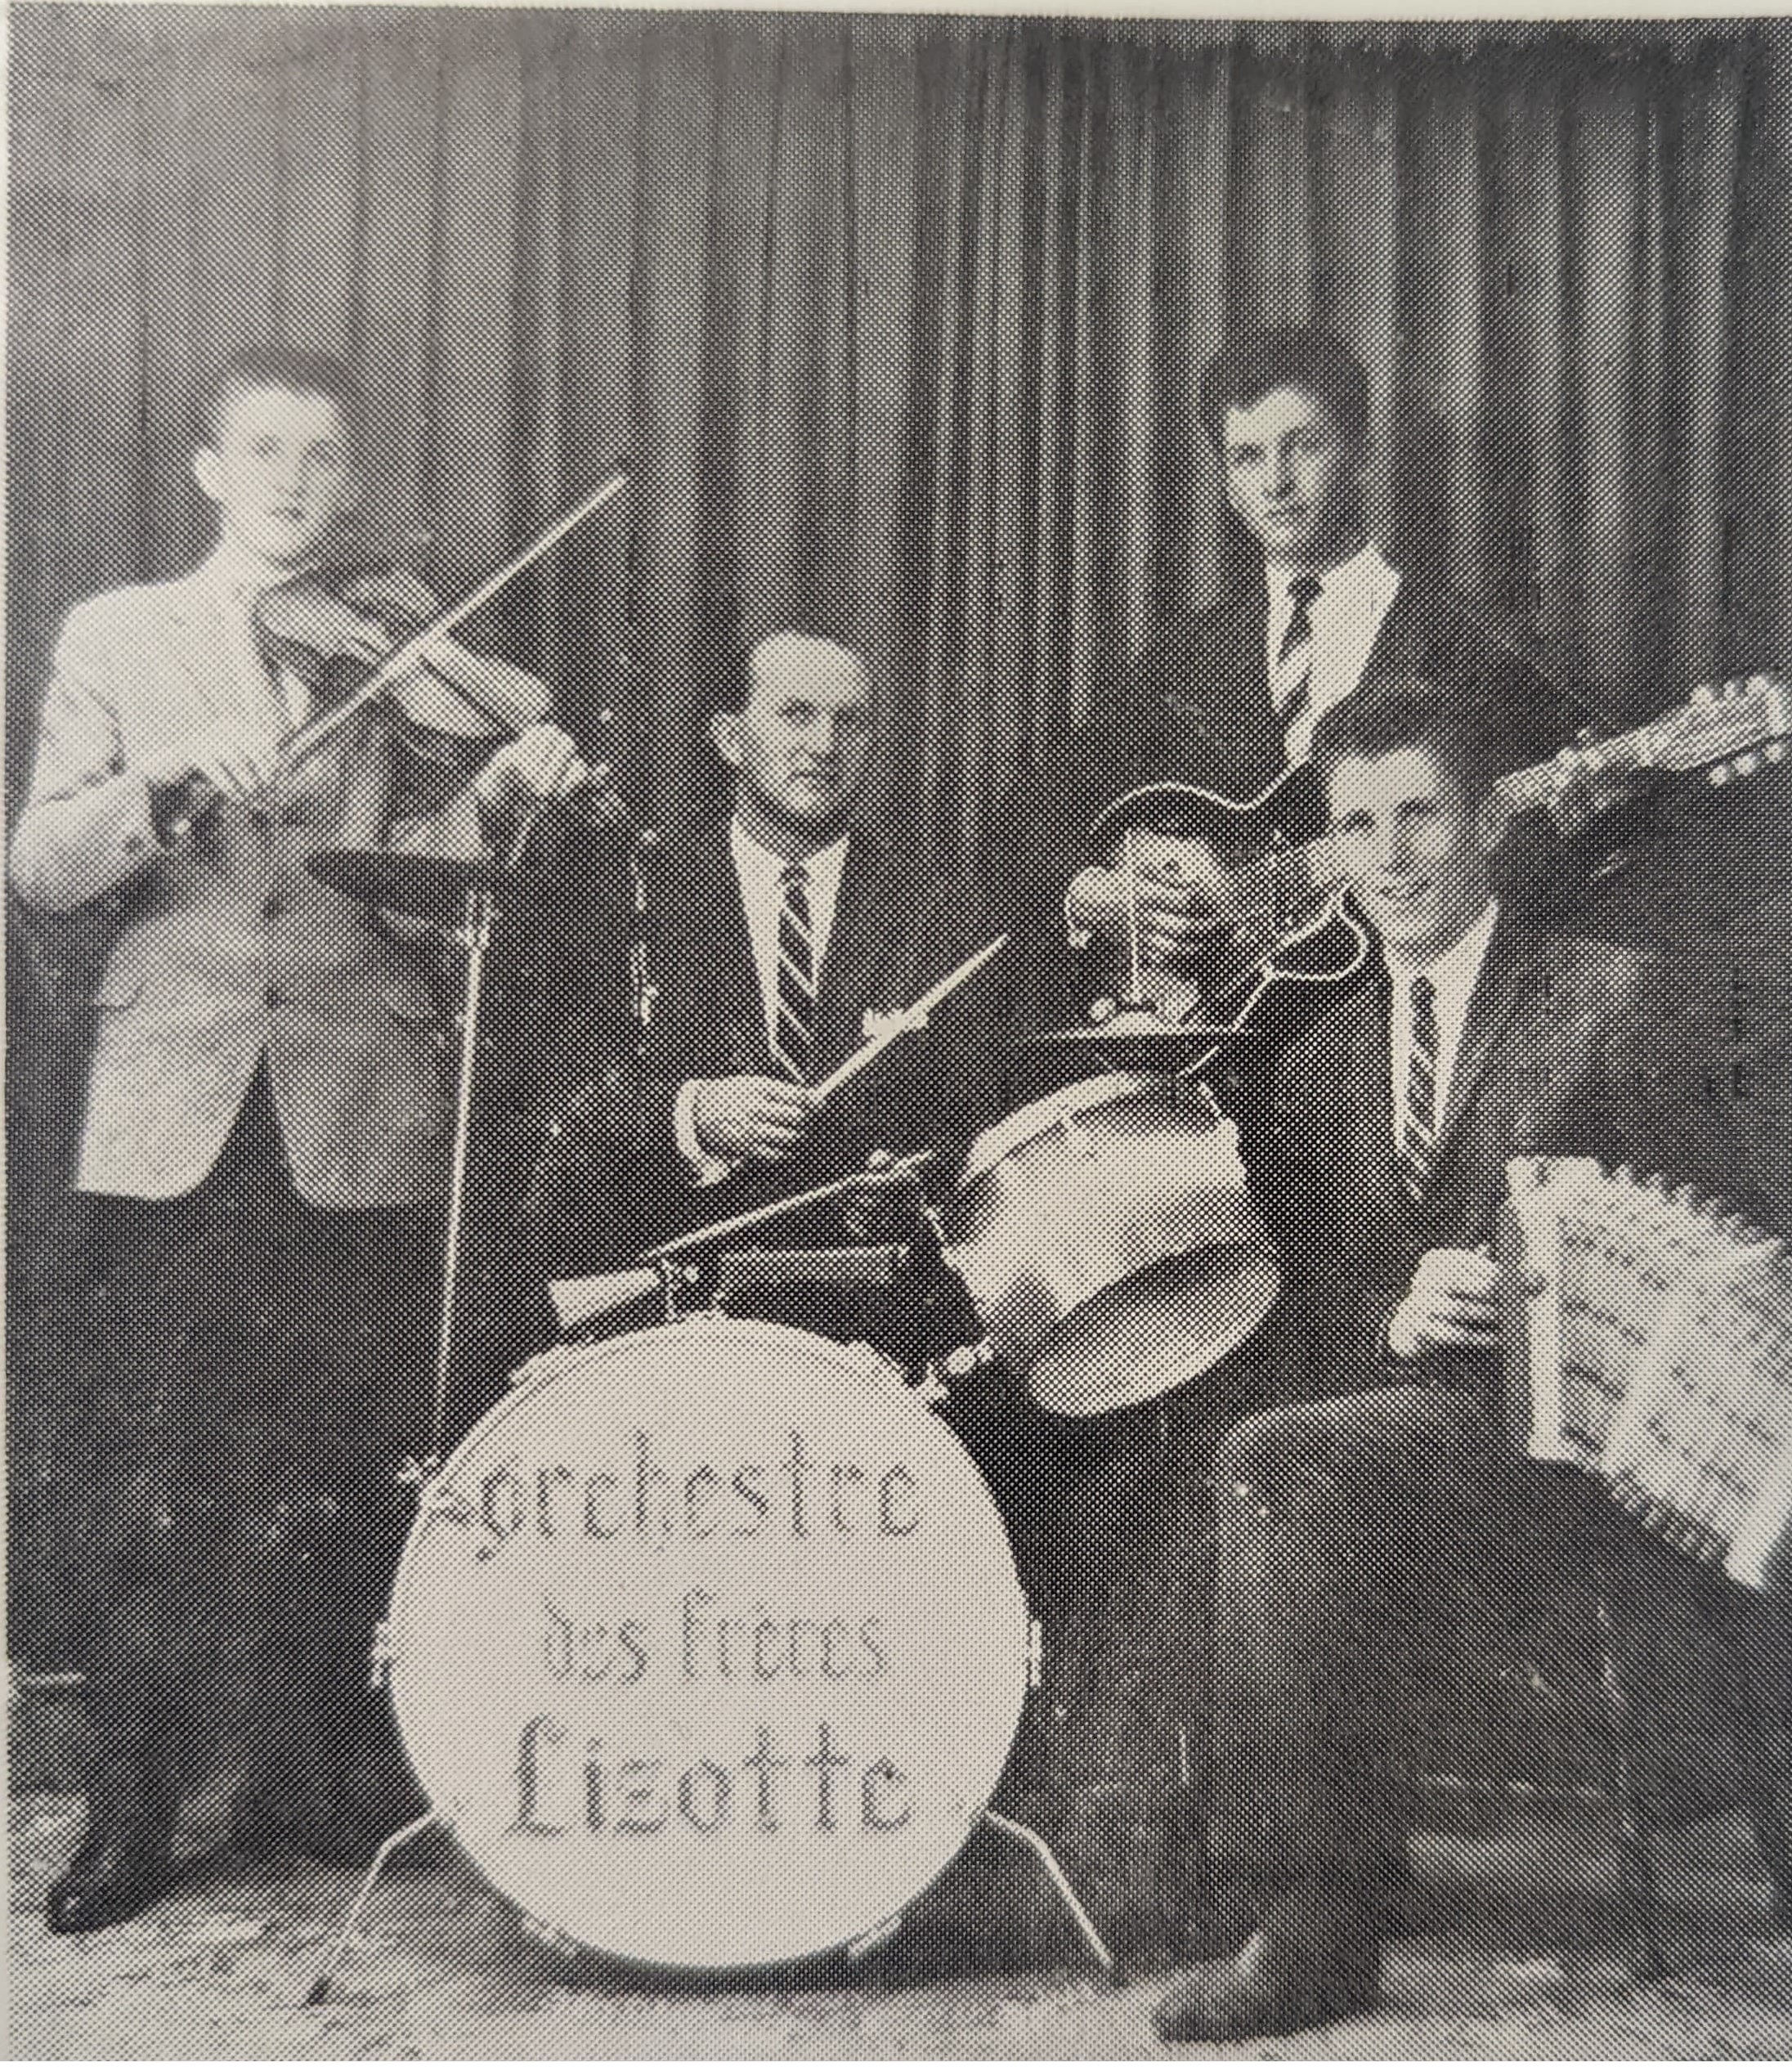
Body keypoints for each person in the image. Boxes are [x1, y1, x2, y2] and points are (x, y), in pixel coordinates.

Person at [10, 344, 589, 1931]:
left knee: (340, 1453)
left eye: (320, 457)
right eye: (261, 450)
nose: (289, 480)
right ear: (208, 468)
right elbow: (43, 861)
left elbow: (420, 875)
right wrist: (169, 779)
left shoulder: (406, 656)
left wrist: (506, 796)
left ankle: (307, 1773)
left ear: (349, 482)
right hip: (176, 1104)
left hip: (354, 1092)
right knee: (151, 1473)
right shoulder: (119, 637)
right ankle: (131, 1811)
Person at [1153, 680, 1716, 2041]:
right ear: (1331, 852)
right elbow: (1309, 1310)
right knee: (1240, 1447)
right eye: (1358, 825)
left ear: (1482, 822)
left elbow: (1719, 1252)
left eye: (1418, 814)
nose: (1391, 855)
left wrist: (1541, 1278)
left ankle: (1313, 1922)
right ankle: (1235, 1868)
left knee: (1282, 1459)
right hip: (1401, 1461)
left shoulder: (1611, 999)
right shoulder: (1315, 1062)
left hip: (1579, 1447)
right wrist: (1393, 1319)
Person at [1009, 325, 1579, 1033]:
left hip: (1393, 1044)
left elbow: (1562, 856)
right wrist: (1105, 894)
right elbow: (1026, 824)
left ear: (1362, 457)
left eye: (1302, 447)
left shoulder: (1474, 648)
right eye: (1247, 457)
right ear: (1226, 482)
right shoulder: (1182, 654)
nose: (1275, 483)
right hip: (1213, 1042)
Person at [524, 626, 1005, 1303]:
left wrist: (915, 1174)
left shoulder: (939, 909)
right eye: (795, 714)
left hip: (872, 1305)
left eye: (851, 723)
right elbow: (559, 1104)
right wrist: (691, 1115)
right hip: (665, 1307)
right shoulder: (634, 885)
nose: (825, 746)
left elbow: (976, 1119)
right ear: (729, 740)